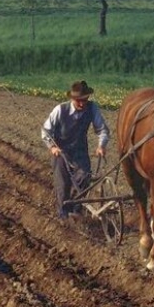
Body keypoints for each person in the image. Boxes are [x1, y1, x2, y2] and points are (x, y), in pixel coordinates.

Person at [41, 80, 110, 219]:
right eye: (78, 100)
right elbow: (46, 131)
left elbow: (102, 129)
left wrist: (101, 146)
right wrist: (52, 147)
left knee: (85, 177)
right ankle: (63, 217)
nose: (82, 103)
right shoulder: (60, 110)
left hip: (80, 151)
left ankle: (75, 210)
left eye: (84, 100)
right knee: (63, 185)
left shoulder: (92, 108)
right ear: (72, 99)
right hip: (61, 152)